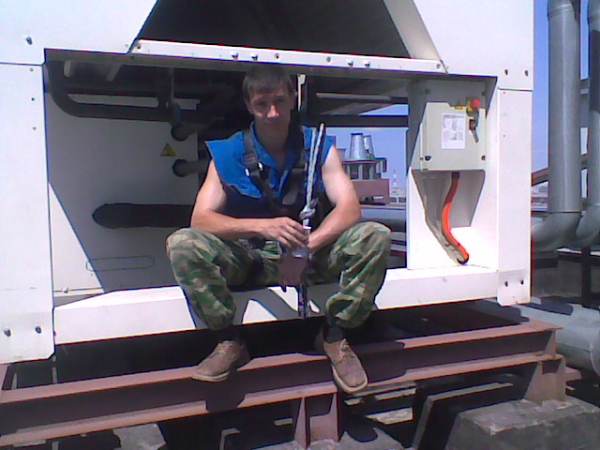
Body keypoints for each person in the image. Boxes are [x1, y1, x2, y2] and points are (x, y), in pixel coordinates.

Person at [166, 65, 391, 394]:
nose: (272, 113)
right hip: (251, 259)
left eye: (279, 102)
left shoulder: (319, 146)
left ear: (293, 100)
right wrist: (263, 226)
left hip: (309, 257)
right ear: (249, 106)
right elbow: (201, 220)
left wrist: (303, 250)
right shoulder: (228, 152)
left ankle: (334, 334)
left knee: (375, 235)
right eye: (262, 104)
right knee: (183, 243)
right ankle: (229, 339)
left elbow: (349, 209)